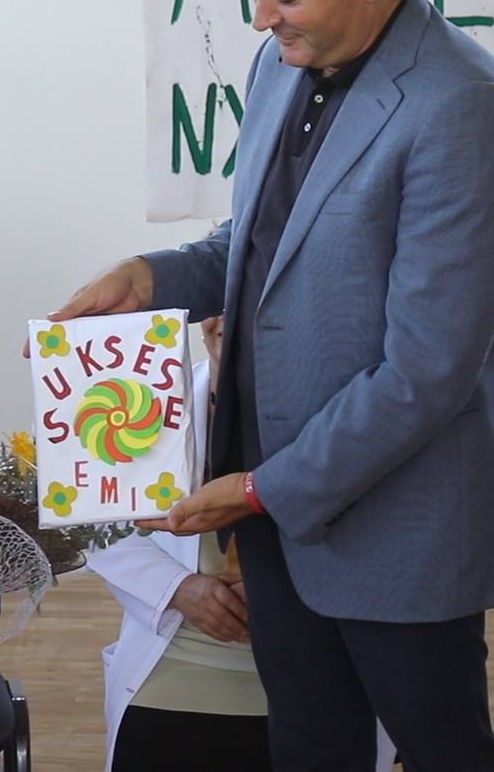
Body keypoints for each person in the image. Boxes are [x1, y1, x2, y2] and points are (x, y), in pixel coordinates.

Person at [52, 0, 494, 771]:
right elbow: (265, 245)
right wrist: (150, 278)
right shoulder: (281, 64)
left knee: (444, 753)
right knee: (311, 749)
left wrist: (262, 488)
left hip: (395, 524)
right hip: (270, 507)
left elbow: (428, 371)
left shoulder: (464, 107)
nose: (262, 18)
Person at [87, 320, 394, 772]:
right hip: (172, 676)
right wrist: (178, 589)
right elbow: (92, 520)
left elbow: (396, 528)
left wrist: (283, 587)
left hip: (320, 678)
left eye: (252, 294)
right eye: (220, 295)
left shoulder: (355, 411)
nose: (229, 315)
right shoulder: (137, 401)